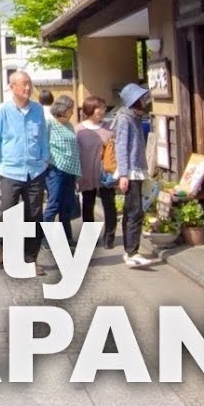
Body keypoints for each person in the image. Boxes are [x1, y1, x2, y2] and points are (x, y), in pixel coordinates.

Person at [0, 71, 51, 275]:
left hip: (35, 170)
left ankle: (30, 258)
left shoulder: (38, 109)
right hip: (11, 170)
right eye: (23, 84)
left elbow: (42, 138)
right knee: (7, 212)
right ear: (12, 87)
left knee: (34, 215)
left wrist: (45, 159)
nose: (28, 88)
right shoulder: (2, 110)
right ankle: (3, 248)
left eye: (29, 84)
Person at [115, 83, 154, 268]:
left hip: (136, 170)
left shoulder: (134, 118)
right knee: (135, 211)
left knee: (132, 211)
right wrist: (123, 174)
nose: (144, 103)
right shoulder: (125, 119)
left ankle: (130, 251)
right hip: (130, 172)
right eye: (141, 100)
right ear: (134, 102)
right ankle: (132, 252)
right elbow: (121, 147)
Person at [76, 96, 118, 250]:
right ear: (90, 110)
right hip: (86, 173)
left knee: (109, 205)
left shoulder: (109, 128)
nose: (102, 111)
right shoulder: (79, 130)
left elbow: (115, 152)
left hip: (106, 174)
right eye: (99, 108)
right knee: (88, 205)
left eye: (103, 107)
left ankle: (109, 237)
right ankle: (89, 238)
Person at [44, 96, 82, 247]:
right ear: (63, 110)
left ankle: (67, 238)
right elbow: (44, 146)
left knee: (67, 206)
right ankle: (44, 239)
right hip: (55, 170)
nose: (72, 112)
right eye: (70, 109)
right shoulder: (49, 125)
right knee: (53, 205)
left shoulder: (70, 126)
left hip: (70, 171)